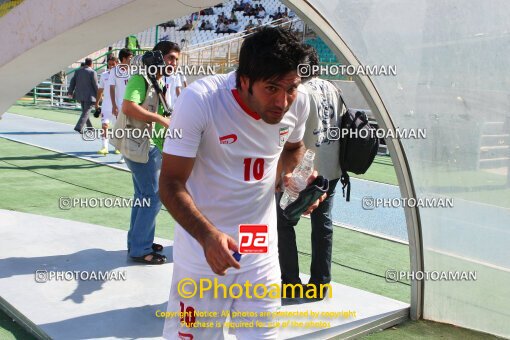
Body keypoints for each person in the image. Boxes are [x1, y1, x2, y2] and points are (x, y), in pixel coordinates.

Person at [159, 27, 322, 340]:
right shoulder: (200, 101)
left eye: (291, 88)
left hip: (258, 243)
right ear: (243, 80)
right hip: (201, 250)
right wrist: (208, 236)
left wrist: (294, 180)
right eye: (272, 88)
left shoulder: (298, 103)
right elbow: (170, 182)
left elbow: (291, 149)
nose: (283, 101)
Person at [277, 49, 344, 300]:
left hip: (303, 169)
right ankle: (320, 284)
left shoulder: (300, 92)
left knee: (284, 223)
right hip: (332, 166)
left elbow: (288, 135)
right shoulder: (332, 88)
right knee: (323, 225)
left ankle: (290, 283)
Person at [121, 41, 180, 264]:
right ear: (158, 57)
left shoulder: (158, 81)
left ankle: (138, 241)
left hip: (147, 145)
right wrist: (161, 119)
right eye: (170, 58)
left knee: (143, 196)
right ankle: (140, 248)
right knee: (153, 196)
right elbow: (128, 106)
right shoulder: (141, 79)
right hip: (141, 146)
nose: (173, 63)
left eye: (176, 59)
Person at [109, 48, 133, 162]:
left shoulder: (135, 70)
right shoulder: (114, 71)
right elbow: (112, 88)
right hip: (120, 105)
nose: (131, 59)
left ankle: (130, 153)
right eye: (130, 58)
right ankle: (123, 153)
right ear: (123, 58)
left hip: (133, 104)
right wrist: (114, 105)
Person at [68, 58, 98, 133]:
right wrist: (100, 95)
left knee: (85, 112)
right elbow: (96, 85)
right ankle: (79, 127)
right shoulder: (92, 72)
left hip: (80, 95)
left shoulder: (78, 71)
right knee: (86, 112)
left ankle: (90, 128)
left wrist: (70, 92)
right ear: (91, 64)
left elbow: (72, 82)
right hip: (90, 96)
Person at [96, 56, 118, 156]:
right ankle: (104, 147)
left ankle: (118, 147)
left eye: (113, 64)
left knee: (118, 128)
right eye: (109, 64)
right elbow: (100, 90)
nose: (111, 66)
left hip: (117, 106)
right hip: (106, 105)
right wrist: (97, 103)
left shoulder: (122, 76)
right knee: (104, 126)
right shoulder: (104, 75)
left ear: (117, 63)